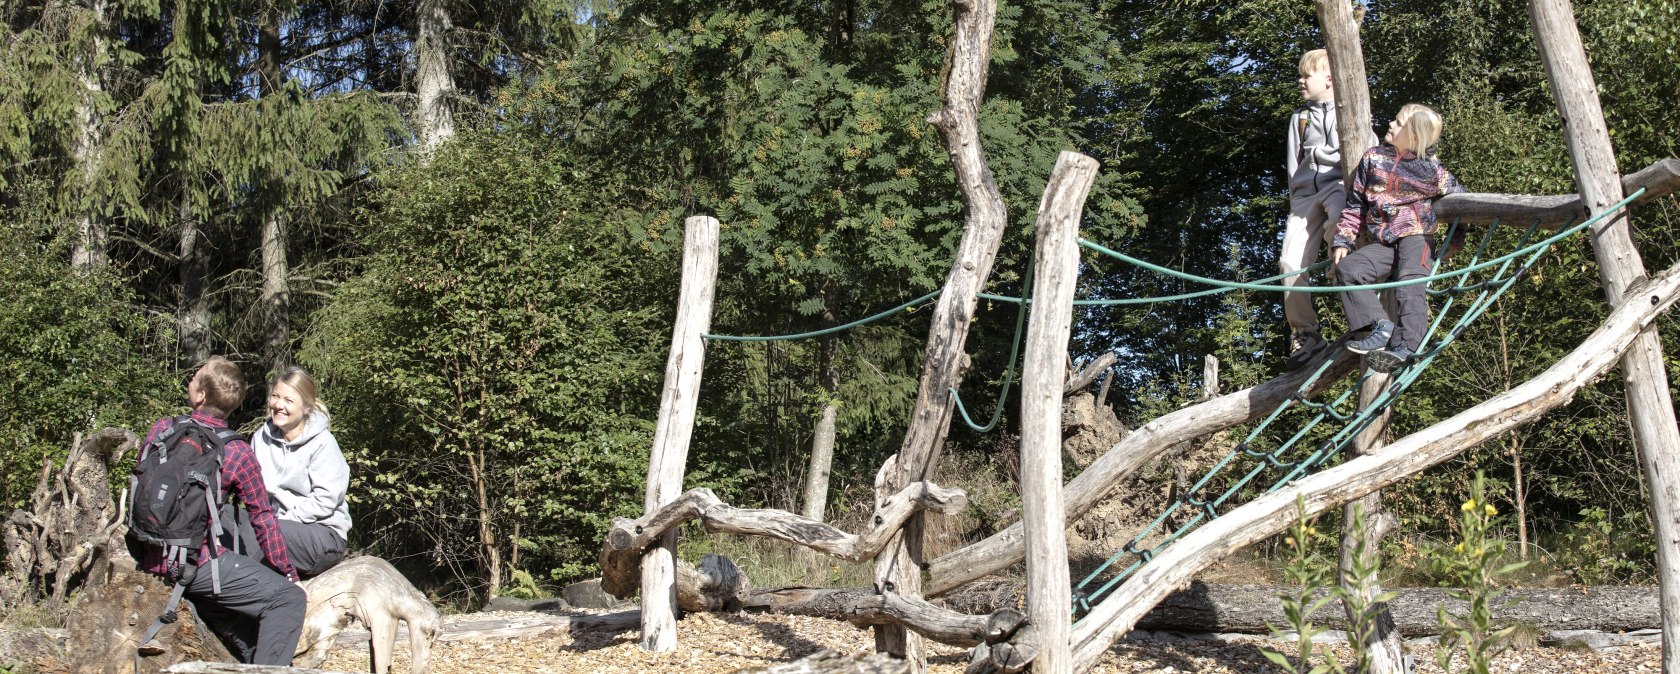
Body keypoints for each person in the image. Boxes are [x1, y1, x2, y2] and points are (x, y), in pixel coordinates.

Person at [134, 356, 305, 665]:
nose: (190, 382)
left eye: (194, 378)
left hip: (146, 552)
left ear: (199, 396)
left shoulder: (162, 429)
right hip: (194, 566)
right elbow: (263, 519)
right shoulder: (237, 452)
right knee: (288, 599)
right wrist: (288, 573)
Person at [1333, 103, 1465, 373]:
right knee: (1348, 269)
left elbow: (1461, 200)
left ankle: (1406, 345)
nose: (1391, 124)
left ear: (1414, 137)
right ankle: (1378, 326)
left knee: (1409, 284)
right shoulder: (1373, 159)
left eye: (1399, 122)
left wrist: (1455, 239)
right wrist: (1343, 239)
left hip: (1416, 236)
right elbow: (1356, 203)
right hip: (1385, 241)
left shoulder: (1431, 171)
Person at [232, 365, 352, 578]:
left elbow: (326, 500)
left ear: (306, 407)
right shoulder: (260, 438)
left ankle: (234, 588)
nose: (278, 405)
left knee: (257, 531)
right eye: (275, 396)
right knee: (224, 518)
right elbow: (248, 487)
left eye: (288, 400)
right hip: (273, 526)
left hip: (322, 535)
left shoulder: (323, 443)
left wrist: (279, 520)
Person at [1280, 48, 1345, 369]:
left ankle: (1361, 315)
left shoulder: (1350, 111)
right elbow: (1294, 165)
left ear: (1329, 79)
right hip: (1305, 197)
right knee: (1289, 263)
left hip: (1339, 187)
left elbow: (1364, 153)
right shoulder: (1299, 119)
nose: (1301, 81)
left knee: (1341, 238)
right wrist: (1297, 203)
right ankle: (1306, 334)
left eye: (1307, 75)